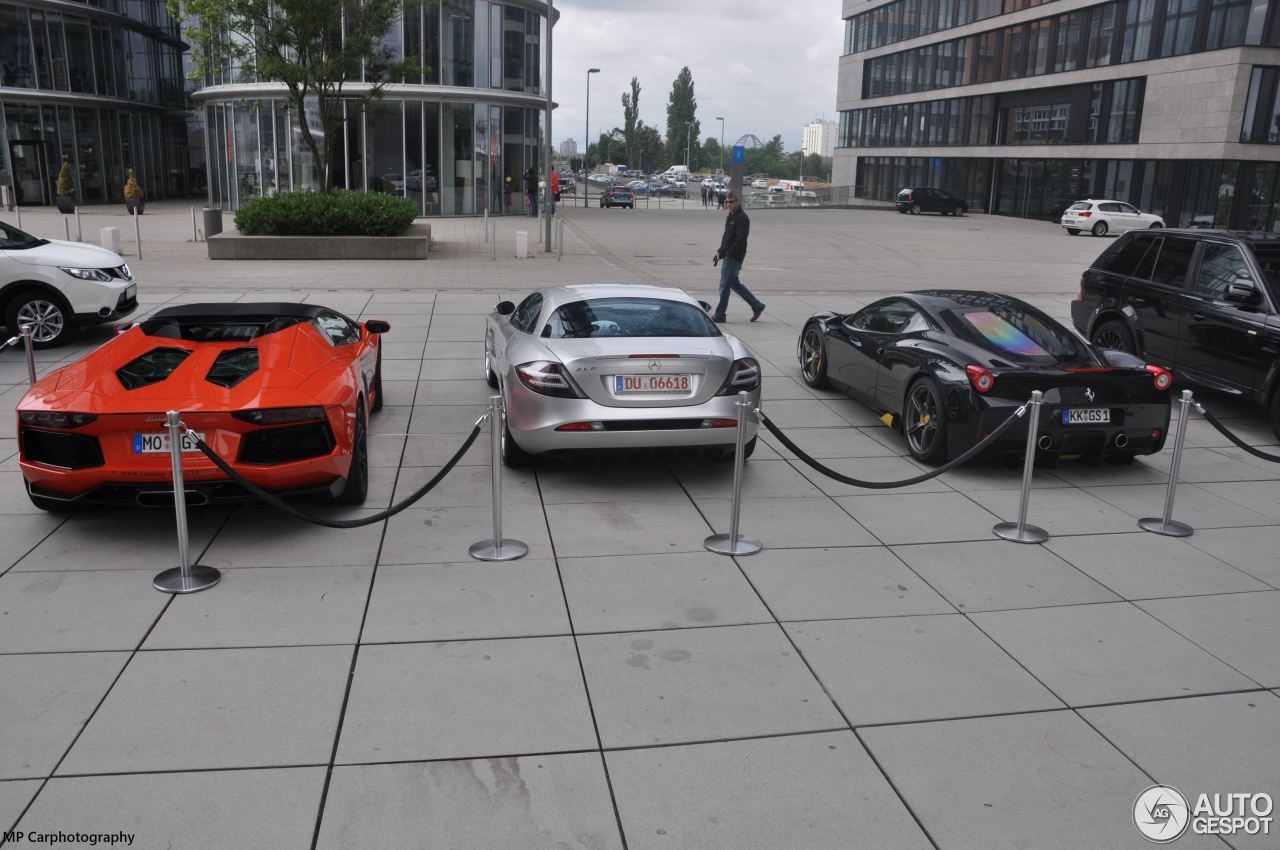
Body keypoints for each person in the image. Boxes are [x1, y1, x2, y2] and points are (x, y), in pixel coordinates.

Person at [711, 193, 765, 323]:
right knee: (734, 284)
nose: (728, 204)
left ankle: (720, 315)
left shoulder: (742, 218)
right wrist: (720, 251)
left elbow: (740, 240)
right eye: (726, 202)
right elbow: (727, 238)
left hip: (734, 256)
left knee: (724, 286)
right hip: (729, 254)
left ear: (737, 202)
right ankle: (757, 306)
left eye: (731, 202)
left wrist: (728, 253)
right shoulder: (731, 217)